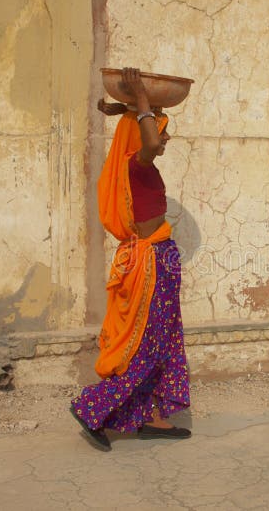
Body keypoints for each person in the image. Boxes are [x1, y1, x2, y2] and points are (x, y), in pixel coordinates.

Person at [69, 67, 191, 451]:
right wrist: (139, 98)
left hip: (160, 257)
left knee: (163, 341)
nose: (165, 136)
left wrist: (125, 108)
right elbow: (150, 142)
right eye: (159, 128)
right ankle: (94, 409)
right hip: (150, 262)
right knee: (147, 345)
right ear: (139, 134)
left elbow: (149, 137)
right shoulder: (136, 165)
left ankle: (150, 416)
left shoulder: (141, 168)